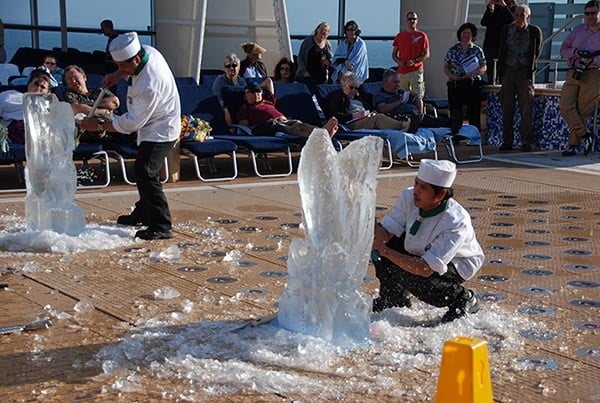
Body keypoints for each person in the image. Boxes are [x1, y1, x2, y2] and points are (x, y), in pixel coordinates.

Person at [80, 32, 180, 241]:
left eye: (123, 66)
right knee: (145, 171)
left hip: (161, 129)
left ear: (135, 59)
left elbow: (132, 122)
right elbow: (128, 70)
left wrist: (98, 125)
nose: (122, 69)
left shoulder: (149, 83)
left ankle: (161, 224)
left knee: (145, 171)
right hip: (151, 124)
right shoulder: (148, 52)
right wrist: (118, 75)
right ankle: (144, 212)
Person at [371, 159, 484, 322]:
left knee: (417, 279)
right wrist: (370, 222)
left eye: (423, 188)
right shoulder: (408, 196)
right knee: (381, 251)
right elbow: (388, 231)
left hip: (457, 262)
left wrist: (386, 251)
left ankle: (462, 298)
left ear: (441, 194)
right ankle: (394, 297)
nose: (416, 190)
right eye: (416, 183)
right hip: (417, 248)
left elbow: (425, 268)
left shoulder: (456, 221)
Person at [497, 5, 542, 152]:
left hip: (524, 72)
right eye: (516, 15)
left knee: (526, 108)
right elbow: (502, 49)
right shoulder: (506, 30)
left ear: (528, 17)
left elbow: (537, 50)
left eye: (522, 15)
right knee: (507, 108)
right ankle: (507, 141)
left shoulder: (534, 32)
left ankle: (525, 141)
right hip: (509, 71)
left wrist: (530, 66)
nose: (518, 18)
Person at [559, 0, 600, 157]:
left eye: (593, 13)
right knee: (565, 106)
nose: (589, 17)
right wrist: (576, 53)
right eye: (587, 13)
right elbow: (563, 49)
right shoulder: (577, 30)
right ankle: (585, 135)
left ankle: (572, 145)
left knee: (582, 110)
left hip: (593, 73)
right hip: (574, 70)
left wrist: (592, 60)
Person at [236, 79, 338, 137]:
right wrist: (268, 122)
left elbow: (269, 81)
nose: (256, 94)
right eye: (252, 92)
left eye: (258, 92)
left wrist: (258, 86)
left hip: (283, 121)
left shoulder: (268, 101)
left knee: (301, 124)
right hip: (267, 126)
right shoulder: (245, 108)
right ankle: (322, 136)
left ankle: (323, 132)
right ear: (245, 96)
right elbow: (246, 128)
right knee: (294, 128)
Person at [326, 72, 411, 132]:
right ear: (343, 85)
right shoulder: (337, 97)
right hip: (350, 124)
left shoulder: (358, 97)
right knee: (378, 119)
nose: (354, 90)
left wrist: (371, 113)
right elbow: (334, 116)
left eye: (356, 88)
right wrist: (353, 116)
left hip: (364, 119)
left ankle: (403, 123)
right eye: (351, 87)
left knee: (378, 116)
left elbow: (370, 107)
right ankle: (403, 125)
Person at [443, 22, 487, 134]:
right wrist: (453, 76)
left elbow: (484, 66)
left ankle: (474, 136)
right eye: (464, 33)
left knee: (473, 111)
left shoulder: (477, 50)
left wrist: (472, 73)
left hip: (472, 84)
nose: (466, 35)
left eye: (468, 33)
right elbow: (446, 67)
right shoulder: (453, 49)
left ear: (473, 35)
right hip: (455, 84)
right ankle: (456, 135)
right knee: (456, 111)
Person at [62, 65, 120, 142]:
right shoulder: (69, 94)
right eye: (69, 79)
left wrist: (89, 104)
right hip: (88, 131)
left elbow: (115, 102)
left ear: (84, 77)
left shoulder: (99, 91)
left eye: (75, 77)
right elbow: (76, 108)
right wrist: (102, 111)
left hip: (112, 128)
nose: (74, 81)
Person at [391, 11, 430, 113]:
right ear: (406, 20)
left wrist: (415, 61)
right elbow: (394, 54)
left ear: (417, 21)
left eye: (414, 19)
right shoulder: (400, 36)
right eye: (410, 19)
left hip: (416, 70)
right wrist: (400, 62)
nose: (412, 21)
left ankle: (420, 117)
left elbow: (426, 54)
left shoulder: (422, 36)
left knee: (418, 96)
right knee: (402, 96)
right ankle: (404, 117)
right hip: (402, 71)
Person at [0, 70, 52, 145]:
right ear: (28, 85)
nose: (38, 89)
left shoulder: (50, 106)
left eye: (42, 87)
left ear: (48, 92)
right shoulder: (9, 95)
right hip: (12, 142)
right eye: (35, 84)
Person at [480, 0, 515, 84]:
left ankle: (503, 93)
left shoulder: (512, 7)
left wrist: (504, 6)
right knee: (491, 73)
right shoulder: (492, 7)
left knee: (504, 72)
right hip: (491, 44)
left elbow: (512, 20)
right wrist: (490, 10)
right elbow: (483, 22)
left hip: (505, 45)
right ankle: (492, 93)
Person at [212, 53, 247, 127]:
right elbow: (218, 99)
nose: (231, 68)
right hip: (224, 108)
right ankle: (232, 129)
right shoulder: (219, 81)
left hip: (240, 108)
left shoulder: (242, 81)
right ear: (224, 68)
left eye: (234, 65)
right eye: (228, 66)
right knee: (226, 110)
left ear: (239, 67)